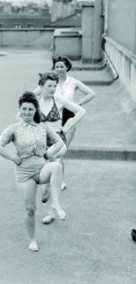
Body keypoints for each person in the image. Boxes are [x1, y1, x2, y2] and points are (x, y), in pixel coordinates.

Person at [0, 92, 66, 252]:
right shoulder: (13, 128)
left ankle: (55, 202)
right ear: (20, 110)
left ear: (36, 110)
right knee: (30, 209)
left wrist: (49, 154)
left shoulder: (43, 127)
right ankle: (32, 239)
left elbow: (60, 142)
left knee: (57, 166)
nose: (27, 112)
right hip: (24, 173)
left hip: (41, 167)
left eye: (30, 109)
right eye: (24, 109)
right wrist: (13, 158)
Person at [34, 57, 95, 190]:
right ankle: (52, 178)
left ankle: (58, 181)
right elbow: (33, 94)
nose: (59, 69)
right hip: (53, 119)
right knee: (53, 153)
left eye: (62, 66)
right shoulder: (51, 82)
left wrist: (79, 103)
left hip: (69, 117)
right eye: (57, 67)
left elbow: (91, 93)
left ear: (67, 67)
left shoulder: (73, 82)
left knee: (60, 154)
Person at [35, 72, 86, 222]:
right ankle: (51, 211)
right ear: (41, 87)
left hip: (58, 141)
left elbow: (81, 111)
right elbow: (19, 117)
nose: (52, 89)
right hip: (42, 143)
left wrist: (67, 126)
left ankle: (48, 192)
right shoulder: (35, 102)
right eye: (49, 86)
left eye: (54, 86)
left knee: (51, 159)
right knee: (53, 168)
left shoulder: (58, 100)